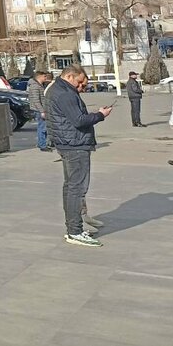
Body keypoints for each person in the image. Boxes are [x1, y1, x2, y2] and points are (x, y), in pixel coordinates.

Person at [46, 64, 112, 247]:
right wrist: (100, 115)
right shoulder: (65, 93)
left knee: (71, 187)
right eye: (80, 83)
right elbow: (79, 120)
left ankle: (76, 225)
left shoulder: (57, 89)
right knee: (76, 188)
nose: (82, 87)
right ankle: (75, 231)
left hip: (67, 143)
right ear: (69, 77)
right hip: (74, 145)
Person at [26, 70, 52, 151]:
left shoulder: (39, 85)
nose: (46, 78)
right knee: (42, 128)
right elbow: (36, 100)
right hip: (39, 110)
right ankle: (42, 145)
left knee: (43, 127)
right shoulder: (35, 86)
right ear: (39, 76)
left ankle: (42, 143)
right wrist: (42, 111)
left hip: (40, 109)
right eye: (44, 76)